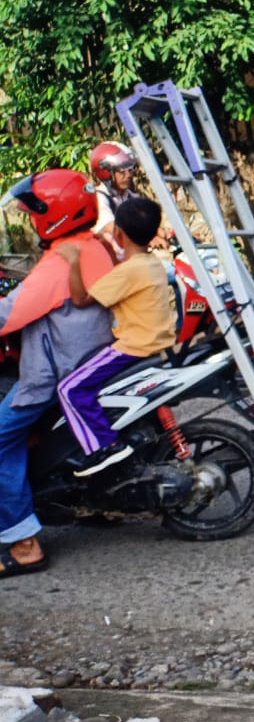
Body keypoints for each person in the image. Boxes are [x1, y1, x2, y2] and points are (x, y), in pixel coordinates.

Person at [0, 171, 114, 577]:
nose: (31, 221)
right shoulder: (92, 245)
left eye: (35, 214)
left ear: (56, 216)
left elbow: (8, 314)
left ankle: (23, 544)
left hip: (55, 371)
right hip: (88, 356)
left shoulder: (59, 262)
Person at [56, 196, 176, 476]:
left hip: (133, 346)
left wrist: (73, 261)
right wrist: (110, 246)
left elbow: (81, 299)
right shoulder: (150, 263)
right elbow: (120, 268)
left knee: (69, 389)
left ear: (119, 233)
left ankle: (105, 446)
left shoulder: (129, 271)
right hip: (158, 343)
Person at [90, 142, 138, 246]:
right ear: (106, 172)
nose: (128, 175)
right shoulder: (99, 197)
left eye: (130, 170)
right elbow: (112, 228)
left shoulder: (131, 197)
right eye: (122, 171)